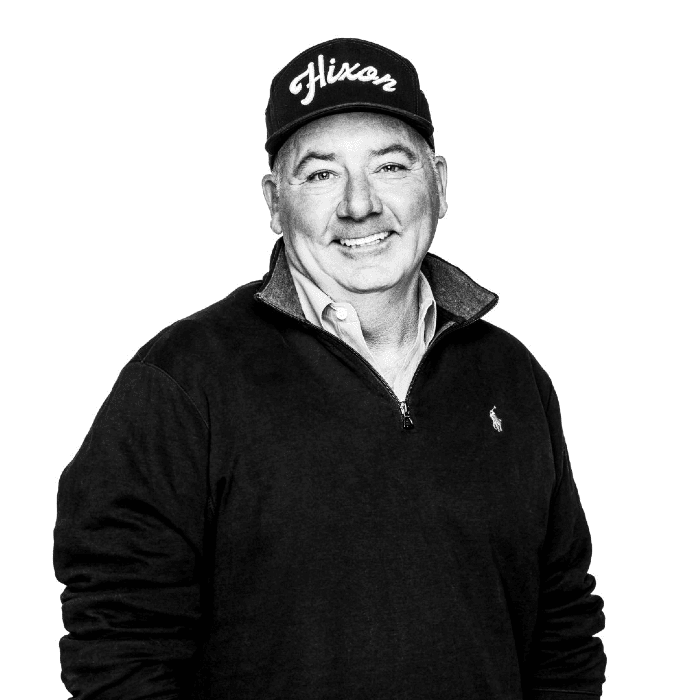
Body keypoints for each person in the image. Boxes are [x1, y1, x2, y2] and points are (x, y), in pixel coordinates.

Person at [54, 38, 606, 699]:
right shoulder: (183, 383)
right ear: (273, 201)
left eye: (391, 167)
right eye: (321, 175)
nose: (359, 205)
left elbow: (563, 627)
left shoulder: (510, 378)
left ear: (439, 184)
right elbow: (118, 649)